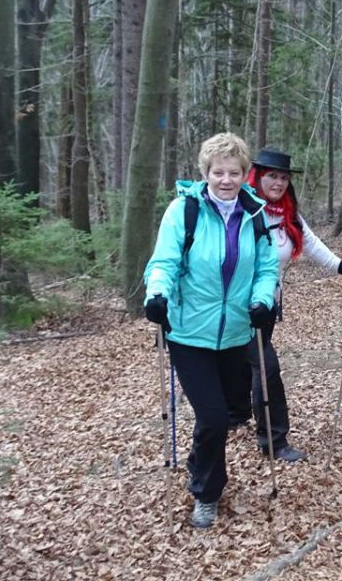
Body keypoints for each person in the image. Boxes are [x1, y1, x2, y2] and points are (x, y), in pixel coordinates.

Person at [143, 132, 278, 529]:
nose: (225, 179)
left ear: (245, 174)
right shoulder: (183, 211)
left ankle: (198, 466)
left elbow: (266, 268)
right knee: (215, 417)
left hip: (236, 332)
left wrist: (262, 301)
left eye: (234, 172)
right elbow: (163, 262)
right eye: (218, 171)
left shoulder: (255, 214)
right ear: (206, 173)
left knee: (222, 416)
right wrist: (157, 296)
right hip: (188, 333)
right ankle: (207, 492)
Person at [245, 148, 342, 463]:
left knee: (256, 365)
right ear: (258, 177)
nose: (277, 182)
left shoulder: (287, 213)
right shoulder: (243, 209)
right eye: (271, 176)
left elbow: (312, 244)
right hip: (236, 306)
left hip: (267, 305)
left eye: (282, 177)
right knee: (266, 368)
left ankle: (242, 418)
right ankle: (274, 439)